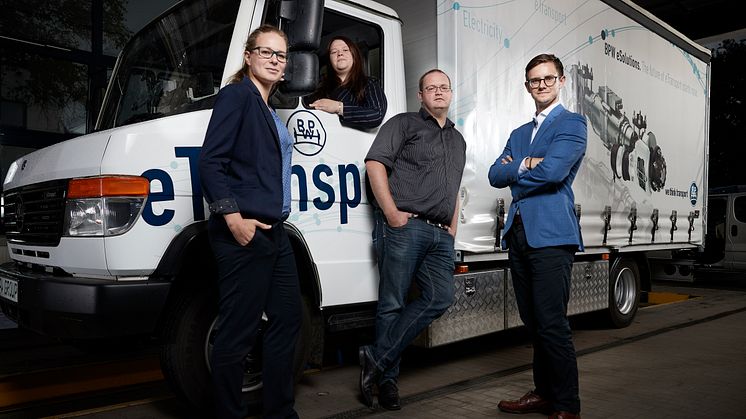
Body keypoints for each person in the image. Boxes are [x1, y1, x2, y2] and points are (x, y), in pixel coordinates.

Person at [198, 25, 301, 419]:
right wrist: (233, 218)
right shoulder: (237, 95)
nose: (275, 60)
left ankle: (279, 411)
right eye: (267, 52)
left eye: (281, 55)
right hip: (243, 232)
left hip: (275, 233)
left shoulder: (268, 108)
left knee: (288, 318)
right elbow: (210, 161)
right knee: (237, 332)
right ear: (249, 56)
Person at [488, 53, 587, 419]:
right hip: (518, 233)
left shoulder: (572, 124)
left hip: (551, 234)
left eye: (548, 78)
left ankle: (567, 405)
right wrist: (528, 164)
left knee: (551, 322)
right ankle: (544, 392)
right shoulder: (518, 133)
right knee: (534, 322)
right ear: (527, 85)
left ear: (561, 81)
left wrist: (518, 167)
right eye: (534, 80)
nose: (541, 85)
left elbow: (553, 174)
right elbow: (493, 177)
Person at [359, 69, 466, 410]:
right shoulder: (403, 124)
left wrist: (452, 227)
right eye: (430, 87)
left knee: (440, 297)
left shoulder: (458, 139)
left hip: (440, 234)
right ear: (420, 96)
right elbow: (375, 164)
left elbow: (454, 187)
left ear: (450, 94)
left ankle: (374, 361)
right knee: (392, 303)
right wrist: (392, 214)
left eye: (443, 87)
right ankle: (388, 384)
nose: (438, 92)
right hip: (405, 226)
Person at [308, 36, 387, 129]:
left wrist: (339, 107)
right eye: (334, 52)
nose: (340, 54)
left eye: (345, 50)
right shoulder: (318, 85)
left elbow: (377, 114)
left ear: (354, 55)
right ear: (329, 60)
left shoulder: (369, 83)